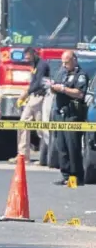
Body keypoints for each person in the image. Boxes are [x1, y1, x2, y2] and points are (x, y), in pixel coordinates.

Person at [50, 50, 88, 186]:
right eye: (63, 62)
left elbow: (79, 93)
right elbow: (55, 85)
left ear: (74, 60)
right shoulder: (62, 72)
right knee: (62, 146)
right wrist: (53, 87)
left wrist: (63, 89)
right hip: (60, 113)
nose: (64, 65)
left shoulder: (80, 75)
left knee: (73, 147)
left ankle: (76, 177)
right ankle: (65, 175)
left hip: (72, 115)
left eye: (67, 62)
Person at [9, 47, 50, 164]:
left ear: (34, 54)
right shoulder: (35, 65)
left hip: (40, 97)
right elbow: (33, 82)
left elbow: (39, 83)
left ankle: (45, 157)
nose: (27, 60)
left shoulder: (42, 65)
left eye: (28, 57)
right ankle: (22, 155)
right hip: (33, 98)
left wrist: (25, 94)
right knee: (23, 124)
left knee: (41, 129)